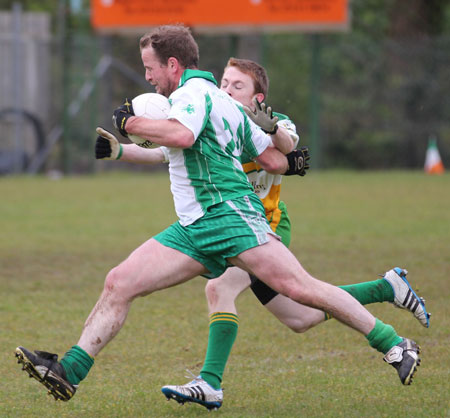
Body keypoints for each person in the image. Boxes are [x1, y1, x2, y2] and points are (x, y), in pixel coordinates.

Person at [15, 25, 424, 406]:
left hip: (229, 216)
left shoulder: (191, 96)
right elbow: (269, 158)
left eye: (150, 68)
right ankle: (70, 370)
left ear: (173, 65)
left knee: (302, 291)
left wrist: (130, 122)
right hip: (194, 227)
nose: (148, 77)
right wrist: (291, 162)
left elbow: (181, 135)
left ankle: (393, 342)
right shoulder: (224, 103)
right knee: (119, 281)